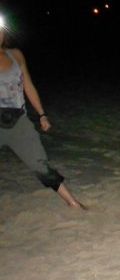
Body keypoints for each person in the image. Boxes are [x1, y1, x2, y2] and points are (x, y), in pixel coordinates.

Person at [0, 21, 84, 208]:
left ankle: (73, 203)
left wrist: (42, 115)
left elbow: (28, 86)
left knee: (40, 164)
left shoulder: (15, 55)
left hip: (18, 121)